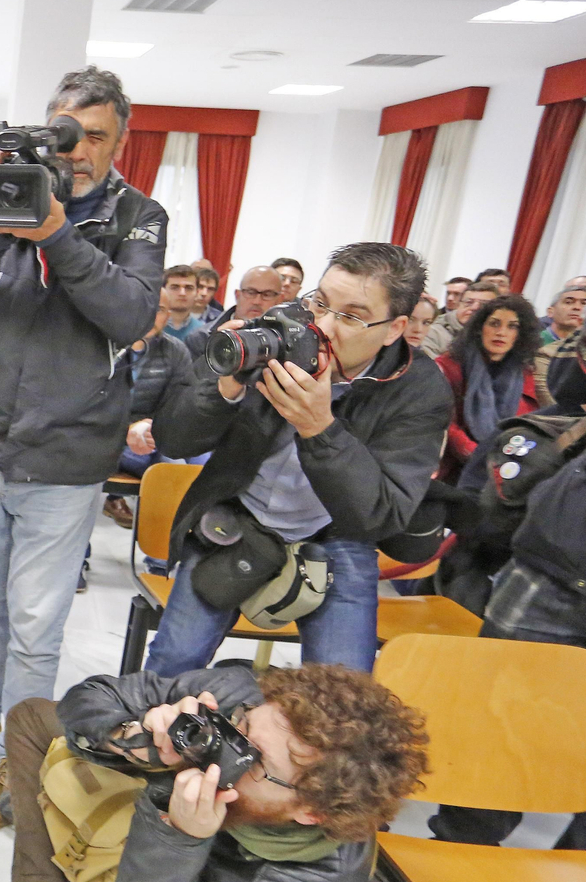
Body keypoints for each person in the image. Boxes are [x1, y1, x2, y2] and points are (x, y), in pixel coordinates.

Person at [0, 65, 166, 832]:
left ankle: (21, 763)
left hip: (66, 460)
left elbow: (127, 314)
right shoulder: (11, 197)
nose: (77, 151)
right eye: (66, 134)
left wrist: (56, 232)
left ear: (121, 141)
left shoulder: (138, 216)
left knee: (35, 621)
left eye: (94, 137)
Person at [3, 663, 428, 882]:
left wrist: (181, 833)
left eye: (253, 760)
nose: (223, 744)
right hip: (188, 840)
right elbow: (95, 697)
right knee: (34, 719)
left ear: (310, 812)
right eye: (238, 726)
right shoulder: (237, 695)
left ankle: (52, 822)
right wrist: (128, 739)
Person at [143, 243, 452, 677]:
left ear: (394, 328)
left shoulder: (418, 388)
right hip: (238, 514)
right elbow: (173, 437)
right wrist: (226, 384)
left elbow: (380, 514)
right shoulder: (278, 332)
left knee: (342, 694)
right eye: (321, 302)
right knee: (171, 663)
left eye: (350, 315)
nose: (323, 325)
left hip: (337, 533)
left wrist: (320, 429)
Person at [426, 423, 586, 851]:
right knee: (496, 741)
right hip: (550, 577)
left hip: (551, 569)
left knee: (498, 736)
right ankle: (448, 869)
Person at [102, 301, 197, 529]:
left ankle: (159, 561)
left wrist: (153, 427)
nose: (153, 315)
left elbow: (181, 402)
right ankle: (77, 557)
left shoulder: (175, 350)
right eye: (146, 306)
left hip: (151, 438)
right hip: (100, 437)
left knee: (180, 469)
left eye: (162, 309)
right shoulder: (102, 344)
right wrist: (126, 429)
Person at [434, 293, 541, 485]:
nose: (501, 332)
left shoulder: (526, 374)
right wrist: (479, 456)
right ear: (479, 328)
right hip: (451, 470)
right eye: (494, 323)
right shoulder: (449, 366)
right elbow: (442, 421)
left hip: (504, 471)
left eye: (512, 326)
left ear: (521, 334)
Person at [182, 265, 282, 359]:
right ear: (237, 295)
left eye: (267, 294)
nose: (257, 301)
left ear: (279, 300)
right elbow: (195, 376)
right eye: (250, 292)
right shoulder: (202, 337)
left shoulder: (286, 339)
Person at [419, 277, 500, 358]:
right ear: (459, 304)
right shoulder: (434, 333)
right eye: (469, 302)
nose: (474, 307)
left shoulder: (501, 335)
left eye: (484, 304)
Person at [160, 264, 207, 343]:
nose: (182, 293)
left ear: (197, 292)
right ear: (163, 290)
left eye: (189, 288)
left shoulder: (203, 333)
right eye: (175, 287)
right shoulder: (150, 328)